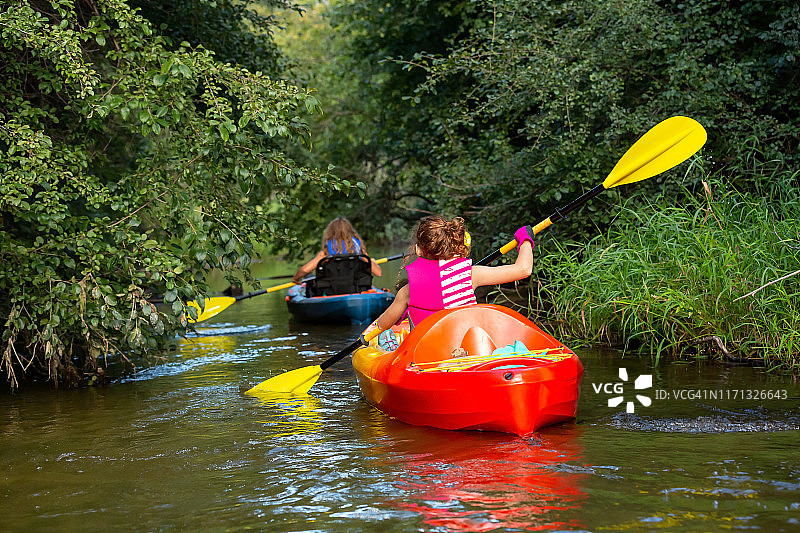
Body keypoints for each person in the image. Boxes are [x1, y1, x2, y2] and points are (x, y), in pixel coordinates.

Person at [371, 215, 534, 345]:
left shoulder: (407, 290)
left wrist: (364, 339)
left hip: (424, 357)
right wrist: (525, 239)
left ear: (418, 250)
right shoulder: (471, 274)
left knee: (386, 336)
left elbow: (381, 325)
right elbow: (524, 269)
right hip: (466, 353)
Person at [292, 217, 382, 283]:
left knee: (310, 278)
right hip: (356, 288)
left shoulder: (326, 252)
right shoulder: (359, 251)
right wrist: (372, 262)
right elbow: (378, 273)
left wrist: (296, 279)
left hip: (333, 290)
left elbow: (304, 271)